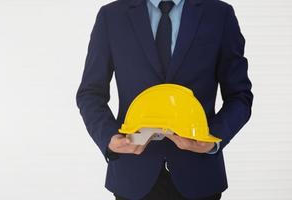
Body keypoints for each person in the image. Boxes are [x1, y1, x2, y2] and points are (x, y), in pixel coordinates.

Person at [75, 0, 253, 199]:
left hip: (199, 176)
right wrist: (109, 138)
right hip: (133, 175)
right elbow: (90, 93)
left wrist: (212, 139)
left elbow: (239, 96)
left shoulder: (219, 14)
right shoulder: (112, 16)